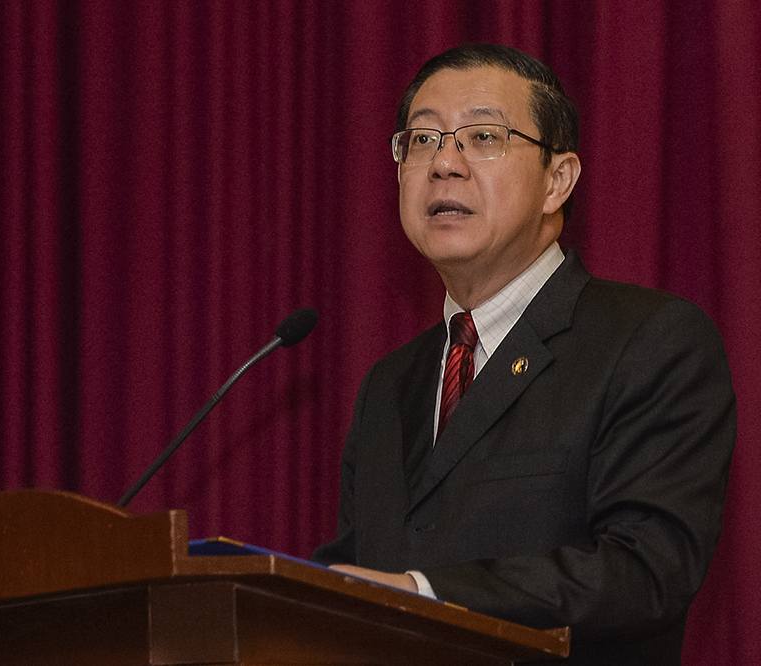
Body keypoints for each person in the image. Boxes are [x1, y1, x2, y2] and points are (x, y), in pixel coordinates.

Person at [312, 44, 736, 663]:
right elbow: (359, 573)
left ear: (556, 180)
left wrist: (426, 593)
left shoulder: (649, 341)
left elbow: (646, 571)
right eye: (423, 140)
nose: (444, 164)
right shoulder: (390, 383)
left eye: (482, 136)